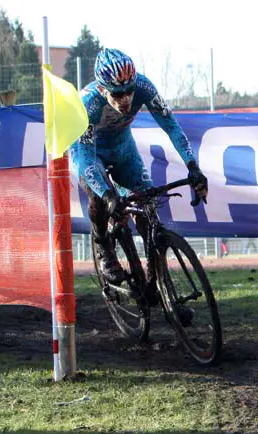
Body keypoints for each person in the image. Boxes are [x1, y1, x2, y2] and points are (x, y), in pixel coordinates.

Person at [69, 48, 208, 285]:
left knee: (148, 212)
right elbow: (83, 158)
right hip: (90, 154)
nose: (126, 99)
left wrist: (193, 166)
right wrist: (107, 194)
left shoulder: (143, 87)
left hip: (123, 149)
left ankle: (159, 288)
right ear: (103, 90)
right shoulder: (88, 104)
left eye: (129, 91)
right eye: (117, 94)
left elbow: (171, 126)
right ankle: (104, 246)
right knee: (100, 200)